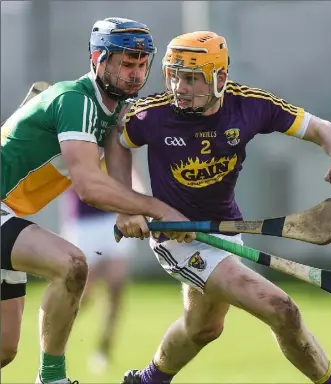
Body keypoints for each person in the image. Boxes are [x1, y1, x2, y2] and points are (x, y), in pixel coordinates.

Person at [111, 31, 331, 384]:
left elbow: (322, 129)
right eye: (175, 75)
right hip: (175, 238)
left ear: (220, 78)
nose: (180, 86)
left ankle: (147, 381)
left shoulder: (250, 105)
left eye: (193, 78)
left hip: (223, 230)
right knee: (281, 308)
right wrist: (127, 205)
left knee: (203, 328)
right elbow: (117, 142)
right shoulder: (152, 113)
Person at [0, 18, 194, 383]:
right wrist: (156, 208)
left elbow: (113, 165)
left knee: (4, 350)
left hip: (8, 213)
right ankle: (52, 378)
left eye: (141, 64)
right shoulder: (77, 101)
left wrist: (127, 210)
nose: (135, 74)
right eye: (126, 63)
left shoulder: (113, 112)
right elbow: (89, 185)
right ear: (98, 59)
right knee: (71, 264)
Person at [60, 163, 146, 374]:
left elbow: (128, 168)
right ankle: (55, 341)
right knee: (83, 294)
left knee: (116, 285)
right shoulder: (76, 136)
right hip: (82, 223)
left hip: (112, 218)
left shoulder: (114, 133)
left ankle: (104, 349)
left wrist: (141, 198)